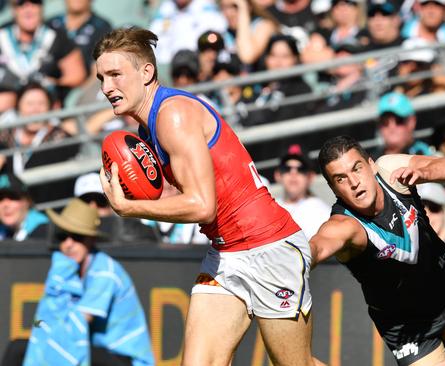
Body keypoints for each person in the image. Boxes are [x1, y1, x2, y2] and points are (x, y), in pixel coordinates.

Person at [93, 28, 319, 366]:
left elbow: (202, 205)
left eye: (115, 75)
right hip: (225, 252)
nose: (106, 87)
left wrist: (129, 206)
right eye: (101, 78)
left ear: (147, 72)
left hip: (268, 246)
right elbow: (186, 192)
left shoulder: (173, 115)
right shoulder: (148, 128)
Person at [310, 135, 445, 365]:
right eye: (341, 178)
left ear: (371, 165)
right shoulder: (345, 225)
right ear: (333, 188)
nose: (354, 182)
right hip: (405, 325)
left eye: (357, 169)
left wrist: (423, 174)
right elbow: (318, 247)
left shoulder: (391, 171)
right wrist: (294, 260)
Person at [16, 199, 154, 365]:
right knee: (17, 348)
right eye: (62, 236)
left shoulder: (105, 271)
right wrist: (42, 329)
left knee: (60, 348)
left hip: (125, 359)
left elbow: (78, 323)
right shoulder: (65, 270)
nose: (68, 244)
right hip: (92, 349)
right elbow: (44, 320)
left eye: (77, 237)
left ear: (91, 240)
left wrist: (47, 335)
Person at [0, 0, 86, 101]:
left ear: (41, 7)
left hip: (46, 106)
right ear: (13, 9)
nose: (28, 9)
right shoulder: (3, 35)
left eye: (34, 3)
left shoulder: (56, 36)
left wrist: (52, 84)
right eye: (21, 4)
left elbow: (77, 76)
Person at [274, 146, 330, 240]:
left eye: (301, 169)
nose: (293, 173)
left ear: (311, 177)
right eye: (287, 168)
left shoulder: (322, 213)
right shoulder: (270, 208)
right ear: (278, 175)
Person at [148, 0, 227, 64]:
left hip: (198, 69)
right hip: (169, 71)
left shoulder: (207, 8)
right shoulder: (165, 8)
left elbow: (215, 42)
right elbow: (153, 40)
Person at [47, 0, 113, 75]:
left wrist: (84, 87)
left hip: (85, 84)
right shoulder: (50, 24)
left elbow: (99, 72)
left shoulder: (102, 27)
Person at [373, 92, 432, 159]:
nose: (392, 127)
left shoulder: (425, 156)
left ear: (412, 122)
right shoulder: (373, 160)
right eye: (385, 122)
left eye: (399, 120)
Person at [0, 174, 48, 241]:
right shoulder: (4, 231)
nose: (5, 204)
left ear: (28, 201)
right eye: (0, 198)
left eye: (13, 197)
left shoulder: (44, 230)